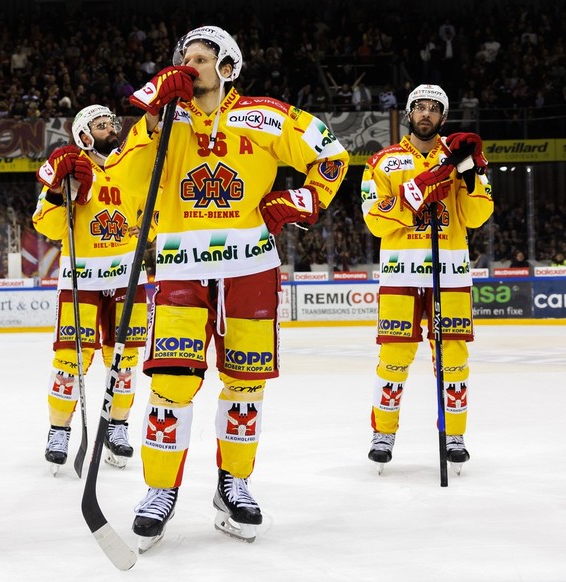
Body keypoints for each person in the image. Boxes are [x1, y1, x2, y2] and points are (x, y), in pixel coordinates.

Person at [127, 25, 348, 549]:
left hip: (250, 269)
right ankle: (159, 490)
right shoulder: (164, 117)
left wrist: (303, 200)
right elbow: (132, 183)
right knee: (171, 385)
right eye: (185, 57)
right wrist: (152, 119)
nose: (189, 65)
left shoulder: (266, 115)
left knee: (245, 385)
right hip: (181, 270)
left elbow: (332, 154)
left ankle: (234, 485)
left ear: (227, 68)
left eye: (201, 58)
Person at [360, 84, 493, 472]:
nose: (426, 114)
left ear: (443, 118)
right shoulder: (382, 162)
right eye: (420, 107)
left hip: (449, 274)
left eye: (434, 109)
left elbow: (478, 215)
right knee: (392, 360)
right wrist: (417, 192)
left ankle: (454, 436)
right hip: (400, 274)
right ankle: (382, 435)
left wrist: (467, 173)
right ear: (408, 112)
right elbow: (374, 219)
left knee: (453, 362)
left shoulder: (459, 159)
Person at [32, 104, 155, 472]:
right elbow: (46, 225)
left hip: (126, 279)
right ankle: (59, 430)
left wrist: (147, 230)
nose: (110, 129)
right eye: (101, 126)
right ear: (84, 136)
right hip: (80, 279)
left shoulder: (131, 169)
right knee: (69, 363)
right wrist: (57, 191)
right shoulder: (70, 170)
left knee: (125, 362)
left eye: (112, 123)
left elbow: (153, 216)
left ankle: (117, 427)